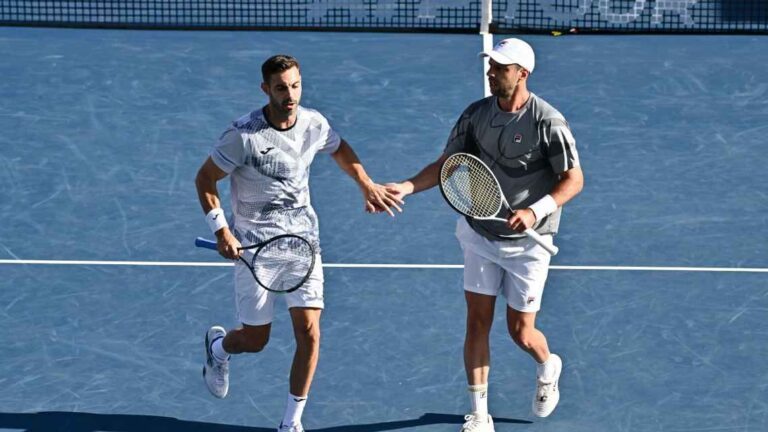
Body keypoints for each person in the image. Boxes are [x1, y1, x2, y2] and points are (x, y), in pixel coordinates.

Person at [194, 54, 402, 432]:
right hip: (254, 250)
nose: (289, 95)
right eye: (280, 88)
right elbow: (204, 180)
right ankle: (219, 349)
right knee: (255, 340)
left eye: (295, 85)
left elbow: (339, 148)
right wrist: (221, 229)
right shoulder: (243, 136)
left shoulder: (313, 123)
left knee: (309, 332)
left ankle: (291, 423)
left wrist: (366, 183)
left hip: (303, 245)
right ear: (265, 90)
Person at [385, 38, 583, 431]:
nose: (492, 73)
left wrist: (534, 210)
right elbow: (447, 164)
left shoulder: (548, 122)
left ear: (522, 74)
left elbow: (573, 179)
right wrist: (408, 187)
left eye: (501, 68)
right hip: (480, 233)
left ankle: (548, 365)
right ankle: (478, 414)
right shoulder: (475, 115)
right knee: (477, 322)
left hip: (529, 244)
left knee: (520, 332)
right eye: (491, 66)